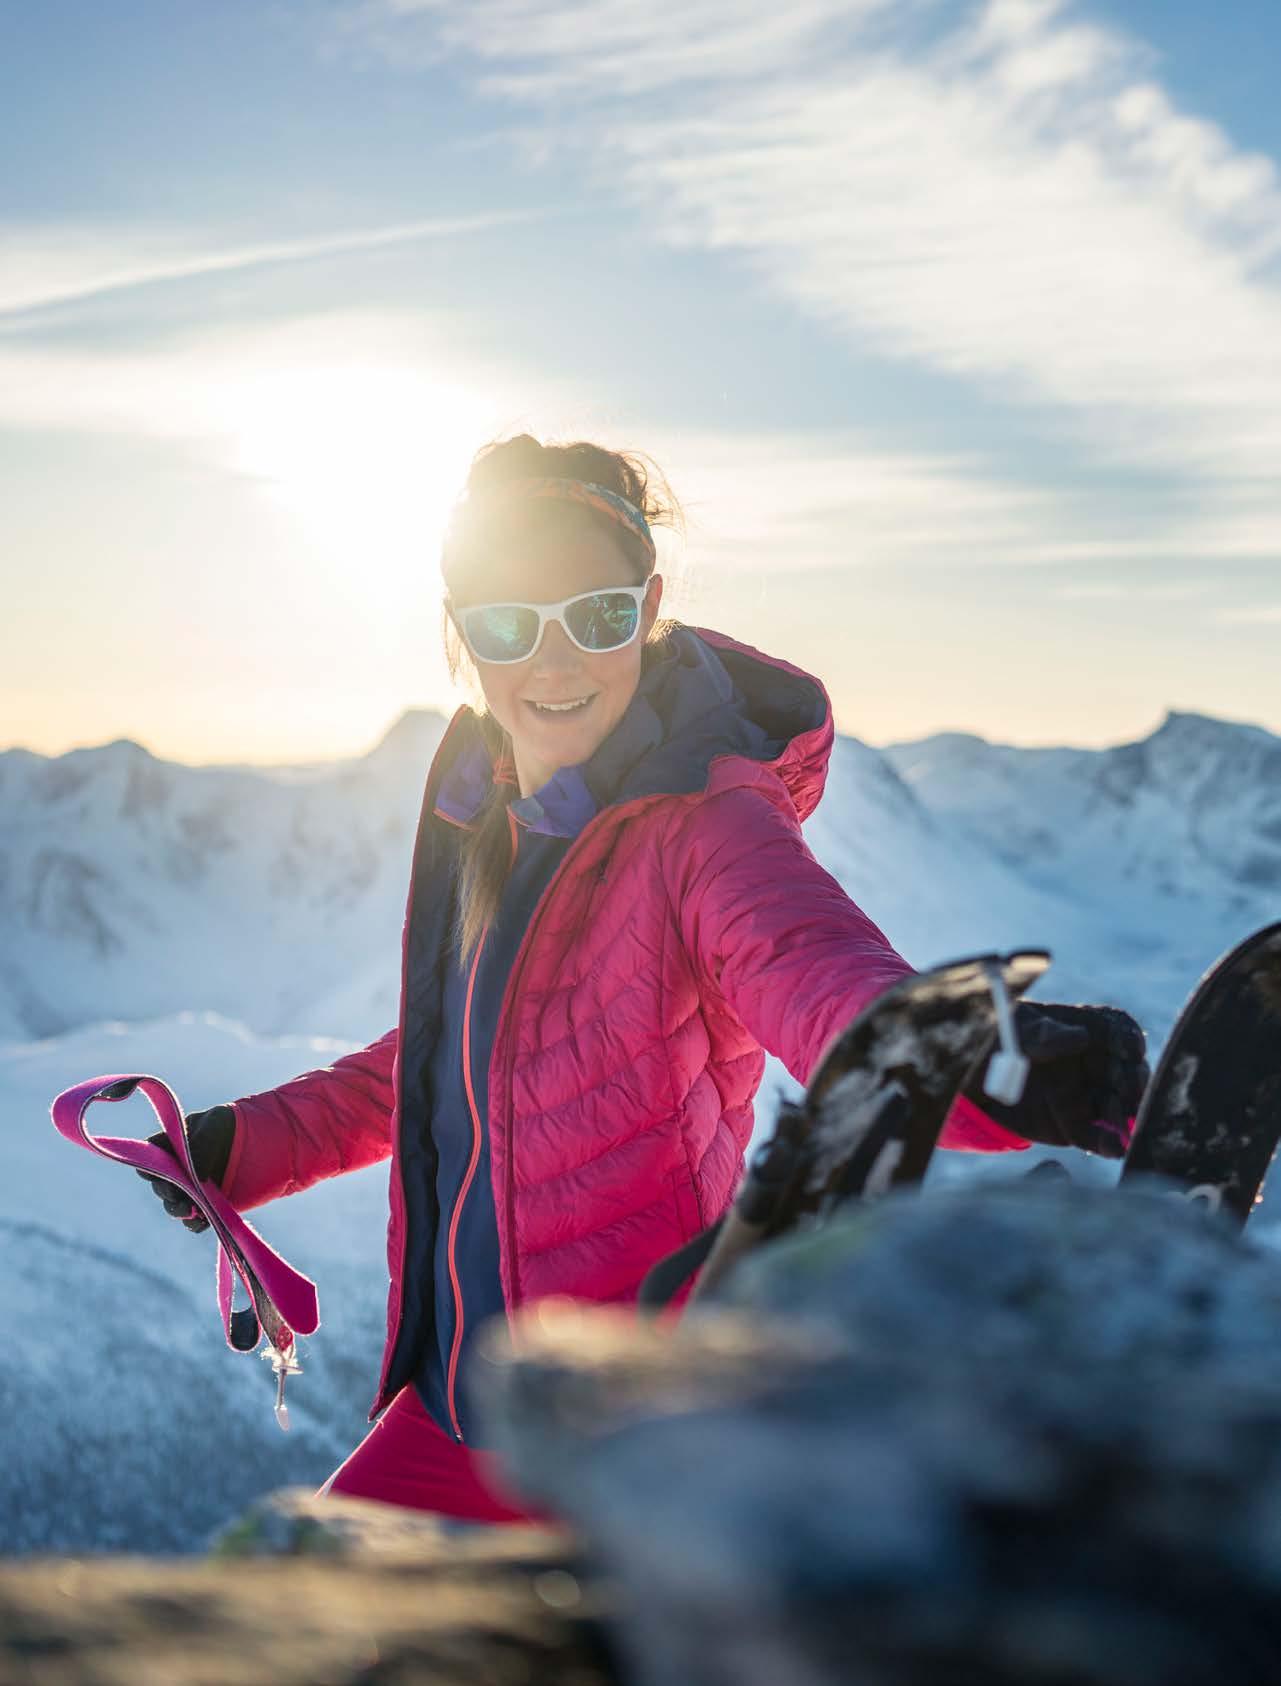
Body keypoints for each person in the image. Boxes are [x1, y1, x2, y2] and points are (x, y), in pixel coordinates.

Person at [141, 434, 1148, 1523]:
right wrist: (248, 1146)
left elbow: (814, 975)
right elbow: (453, 1059)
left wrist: (974, 1057)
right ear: (460, 631)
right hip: (459, 1397)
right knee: (302, 1598)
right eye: (509, 625)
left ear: (650, 607)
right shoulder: (483, 813)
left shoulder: (708, 827)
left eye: (597, 616)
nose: (554, 663)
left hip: (625, 1412)